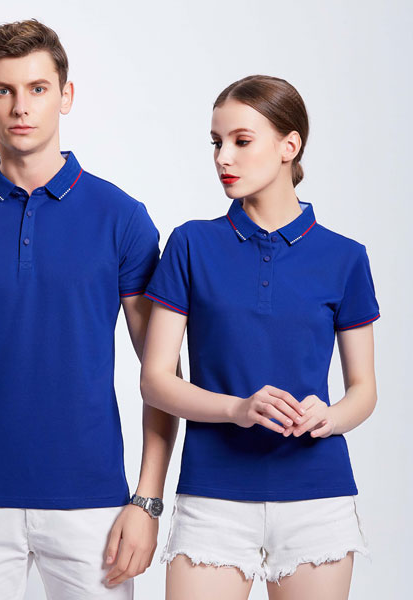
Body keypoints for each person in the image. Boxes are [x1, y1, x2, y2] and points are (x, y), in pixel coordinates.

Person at [0, 19, 179, 600]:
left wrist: (148, 499)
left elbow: (160, 371)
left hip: (93, 501)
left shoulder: (122, 218)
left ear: (65, 95)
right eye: (3, 91)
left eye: (38, 88)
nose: (20, 107)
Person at [140, 74, 380, 600]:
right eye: (216, 142)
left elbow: (364, 390)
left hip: (316, 496)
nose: (223, 157)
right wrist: (237, 409)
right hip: (213, 494)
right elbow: (155, 380)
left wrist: (330, 417)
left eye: (241, 141)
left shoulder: (345, 257)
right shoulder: (190, 244)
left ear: (289, 146)